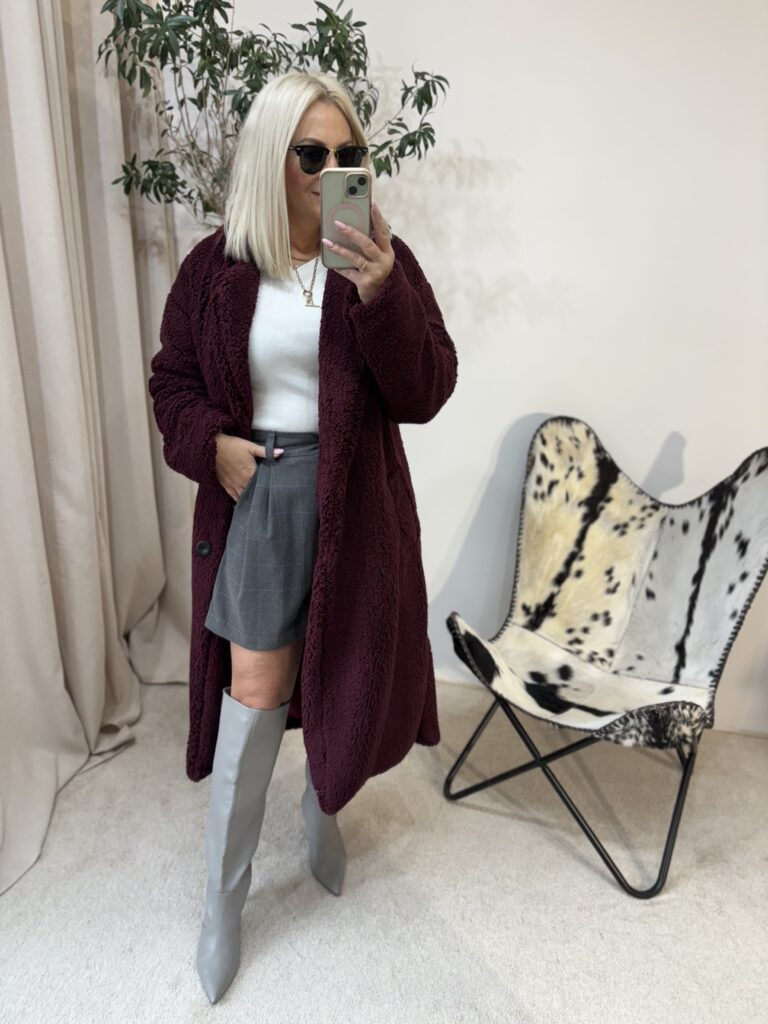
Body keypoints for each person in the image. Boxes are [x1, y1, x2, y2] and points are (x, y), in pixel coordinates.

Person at [148, 69, 457, 1004]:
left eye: (349, 154)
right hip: (261, 492)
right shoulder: (216, 268)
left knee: (344, 668)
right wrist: (213, 448)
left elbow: (427, 389)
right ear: (270, 159)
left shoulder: (378, 260)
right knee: (254, 694)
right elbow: (172, 381)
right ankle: (223, 904)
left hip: (355, 496)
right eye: (311, 154)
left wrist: (383, 290)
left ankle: (325, 814)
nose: (332, 170)